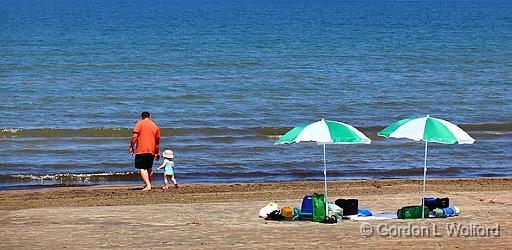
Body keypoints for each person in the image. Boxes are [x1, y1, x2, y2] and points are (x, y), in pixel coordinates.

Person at [129, 111, 160, 191]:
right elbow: (157, 142)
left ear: (141, 117)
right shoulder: (155, 126)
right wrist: (156, 152)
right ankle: (148, 184)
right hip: (152, 150)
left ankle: (148, 185)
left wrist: (131, 147)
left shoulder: (139, 123)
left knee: (142, 168)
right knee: (149, 168)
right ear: (150, 117)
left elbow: (134, 137)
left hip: (142, 149)